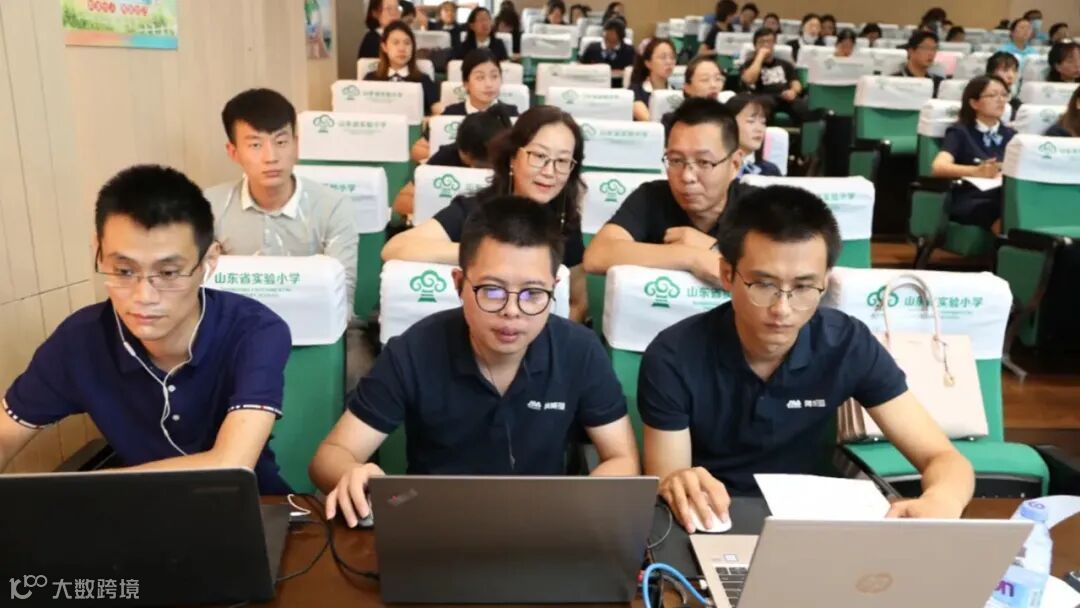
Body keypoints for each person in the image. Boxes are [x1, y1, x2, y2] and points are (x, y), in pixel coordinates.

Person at [639, 185, 975, 530]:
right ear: (728, 274)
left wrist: (942, 499)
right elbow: (670, 480)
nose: (782, 309)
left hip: (815, 523)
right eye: (763, 285)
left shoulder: (846, 343)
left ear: (825, 283)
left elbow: (943, 458)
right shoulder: (674, 355)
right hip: (715, 518)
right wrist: (678, 482)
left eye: (802, 287)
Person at [312, 198, 640, 526]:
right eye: (493, 291)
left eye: (533, 294)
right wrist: (352, 473)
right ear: (459, 284)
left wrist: (575, 508)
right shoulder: (415, 349)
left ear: (553, 290)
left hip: (544, 524)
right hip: (433, 523)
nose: (512, 311)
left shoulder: (579, 350)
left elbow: (622, 458)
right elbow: (331, 456)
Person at [0, 165, 295, 494]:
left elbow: (231, 465)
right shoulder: (79, 341)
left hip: (254, 506)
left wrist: (87, 491)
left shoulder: (255, 330)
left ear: (209, 261)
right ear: (99, 252)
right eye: (124, 271)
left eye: (168, 273)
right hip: (136, 510)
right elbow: (4, 436)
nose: (144, 296)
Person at [384, 106, 589, 321]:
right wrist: (486, 253)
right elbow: (396, 248)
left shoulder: (566, 221)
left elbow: (577, 303)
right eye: (539, 156)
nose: (549, 171)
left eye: (562, 161)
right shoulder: (474, 210)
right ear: (513, 157)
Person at [204, 89, 359, 301]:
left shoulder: (333, 207)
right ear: (234, 152)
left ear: (296, 145)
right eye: (255, 145)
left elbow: (342, 296)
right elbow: (200, 291)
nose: (271, 157)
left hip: (310, 320)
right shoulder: (210, 207)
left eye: (281, 142)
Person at [583, 98, 754, 288]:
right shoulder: (651, 197)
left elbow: (773, 278)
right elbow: (597, 256)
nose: (687, 176)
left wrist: (712, 247)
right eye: (676, 160)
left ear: (735, 164)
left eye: (704, 162)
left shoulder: (758, 207)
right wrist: (691, 256)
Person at [931, 75, 1016, 232]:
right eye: (993, 95)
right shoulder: (960, 132)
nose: (1001, 100)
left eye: (1004, 95)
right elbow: (938, 167)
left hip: (1003, 195)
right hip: (971, 197)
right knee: (997, 211)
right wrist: (975, 171)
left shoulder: (1011, 135)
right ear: (974, 103)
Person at [393, 107, 513, 217]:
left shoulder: (513, 163)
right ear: (462, 151)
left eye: (487, 165)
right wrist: (452, 209)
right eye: (478, 165)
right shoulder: (448, 156)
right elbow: (401, 201)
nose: (479, 169)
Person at [363, 21, 440, 116]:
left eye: (407, 43)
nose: (402, 48)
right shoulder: (371, 79)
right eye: (396, 43)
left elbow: (438, 112)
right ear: (384, 47)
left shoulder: (423, 80)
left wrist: (429, 120)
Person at [741, 28, 809, 123]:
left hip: (785, 97)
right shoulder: (749, 64)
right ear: (755, 46)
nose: (766, 45)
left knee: (802, 106)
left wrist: (793, 91)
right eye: (762, 42)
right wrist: (760, 56)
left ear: (774, 44)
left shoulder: (785, 64)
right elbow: (749, 79)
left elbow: (796, 83)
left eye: (769, 42)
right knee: (764, 104)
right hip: (763, 97)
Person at [661, 57, 725, 137]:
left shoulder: (729, 118)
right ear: (687, 87)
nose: (713, 85)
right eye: (705, 79)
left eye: (718, 79)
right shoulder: (674, 121)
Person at [726, 93, 782, 177]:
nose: (759, 129)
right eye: (751, 121)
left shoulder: (770, 171)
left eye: (763, 122)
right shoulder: (716, 168)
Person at [630, 38, 676, 121]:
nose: (669, 62)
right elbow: (650, 122)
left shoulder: (675, 93)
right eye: (663, 57)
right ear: (648, 63)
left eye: (672, 57)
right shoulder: (635, 91)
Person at [580, 18, 636, 88]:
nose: (609, 45)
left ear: (621, 38)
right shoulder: (592, 48)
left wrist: (622, 73)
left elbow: (633, 72)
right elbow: (582, 67)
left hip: (619, 87)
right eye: (607, 40)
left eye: (613, 42)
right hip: (595, 85)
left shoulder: (629, 51)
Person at [895, 31, 943, 97]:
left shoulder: (939, 84)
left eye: (934, 49)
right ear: (911, 51)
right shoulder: (895, 81)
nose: (931, 53)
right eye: (926, 48)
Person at [986, 51, 1022, 120]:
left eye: (1014, 71)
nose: (1011, 76)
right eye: (1005, 70)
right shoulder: (982, 100)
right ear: (991, 72)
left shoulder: (1016, 105)